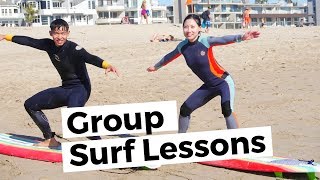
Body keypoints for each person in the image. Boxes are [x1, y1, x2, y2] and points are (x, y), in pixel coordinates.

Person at [0, 19, 119, 147]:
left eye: (63, 34)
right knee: (30, 104)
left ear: (68, 33)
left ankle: (100, 144)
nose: (59, 37)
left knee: (74, 117)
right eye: (56, 33)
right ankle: (50, 139)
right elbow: (29, 41)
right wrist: (6, 37)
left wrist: (107, 65)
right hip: (65, 88)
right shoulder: (48, 45)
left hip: (81, 89)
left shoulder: (74, 48)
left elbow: (90, 57)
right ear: (51, 33)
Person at [147, 14, 260, 133]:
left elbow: (223, 39)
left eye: (192, 27)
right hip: (209, 86)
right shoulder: (182, 47)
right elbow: (169, 57)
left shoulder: (205, 41)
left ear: (199, 28)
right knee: (184, 110)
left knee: (227, 110)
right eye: (186, 27)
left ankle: (238, 142)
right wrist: (155, 67)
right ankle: (180, 141)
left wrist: (242, 36)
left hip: (223, 82)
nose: (189, 30)